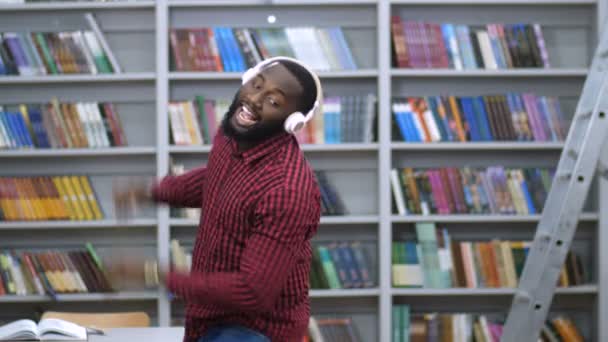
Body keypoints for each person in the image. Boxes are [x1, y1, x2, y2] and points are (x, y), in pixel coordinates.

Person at [113, 57, 323, 342]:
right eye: (256, 85)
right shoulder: (233, 134)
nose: (254, 99)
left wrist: (156, 274)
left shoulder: (287, 190)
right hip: (210, 317)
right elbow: (216, 181)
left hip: (255, 331)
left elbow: (252, 291)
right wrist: (151, 191)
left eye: (273, 101)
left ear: (292, 123)